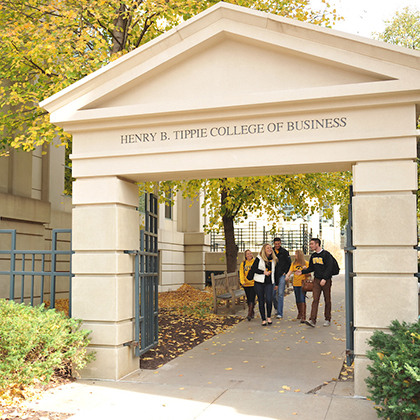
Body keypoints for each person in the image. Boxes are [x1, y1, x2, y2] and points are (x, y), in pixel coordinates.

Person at [295, 238, 334, 327]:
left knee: (327, 300)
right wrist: (302, 272)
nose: (310, 246)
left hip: (326, 280)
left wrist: (325, 278)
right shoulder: (313, 256)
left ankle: (327, 318)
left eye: (312, 244)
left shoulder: (326, 255)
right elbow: (311, 268)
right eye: (310, 244)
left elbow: (329, 267)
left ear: (317, 244)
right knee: (315, 299)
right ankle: (312, 320)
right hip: (316, 280)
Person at [247, 243, 280, 326]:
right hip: (259, 282)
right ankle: (263, 319)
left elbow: (276, 272)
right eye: (268, 248)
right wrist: (263, 272)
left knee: (269, 299)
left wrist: (276, 283)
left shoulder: (274, 259)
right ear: (264, 250)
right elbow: (254, 269)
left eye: (270, 248)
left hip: (269, 283)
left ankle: (269, 316)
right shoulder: (259, 258)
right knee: (261, 300)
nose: (270, 249)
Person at [285, 249, 309, 323]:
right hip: (295, 283)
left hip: (303, 284)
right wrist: (287, 276)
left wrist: (305, 270)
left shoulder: (306, 263)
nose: (295, 255)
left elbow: (309, 274)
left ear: (299, 255)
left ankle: (303, 316)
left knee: (302, 299)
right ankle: (299, 313)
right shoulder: (294, 263)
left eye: (296, 254)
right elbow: (290, 271)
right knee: (297, 298)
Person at [272, 237, 291, 319]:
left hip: (281, 275)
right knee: (272, 294)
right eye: (276, 244)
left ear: (280, 243)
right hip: (272, 276)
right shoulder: (271, 252)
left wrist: (286, 272)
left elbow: (289, 263)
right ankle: (276, 307)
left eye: (278, 244)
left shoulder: (285, 252)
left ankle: (280, 312)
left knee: (280, 294)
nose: (277, 245)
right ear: (274, 244)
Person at [239, 249, 256, 321]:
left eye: (250, 253)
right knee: (249, 299)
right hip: (246, 284)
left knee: (252, 298)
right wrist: (242, 281)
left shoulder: (255, 262)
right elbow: (241, 273)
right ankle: (252, 311)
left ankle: (249, 314)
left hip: (253, 283)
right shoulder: (243, 264)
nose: (249, 255)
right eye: (248, 254)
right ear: (245, 256)